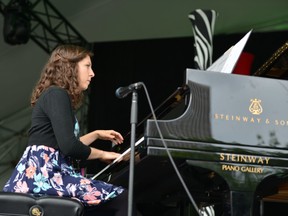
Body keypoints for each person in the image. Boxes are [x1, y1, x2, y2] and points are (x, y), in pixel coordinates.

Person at [2, 44, 130, 216]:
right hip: (43, 176)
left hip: (42, 174)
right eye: (87, 66)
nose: (92, 73)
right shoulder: (56, 94)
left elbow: (62, 145)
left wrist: (96, 134)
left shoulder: (55, 95)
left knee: (100, 204)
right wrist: (103, 154)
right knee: (121, 198)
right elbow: (69, 147)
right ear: (70, 68)